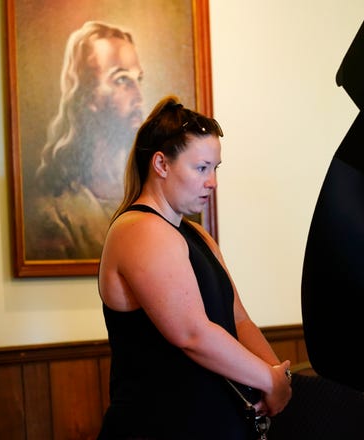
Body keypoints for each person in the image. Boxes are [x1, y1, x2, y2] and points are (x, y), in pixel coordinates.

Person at [97, 96, 292, 439]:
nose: (213, 182)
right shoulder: (137, 230)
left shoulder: (197, 234)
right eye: (202, 168)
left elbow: (239, 319)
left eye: (215, 169)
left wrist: (278, 374)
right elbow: (192, 334)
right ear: (161, 164)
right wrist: (267, 379)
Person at [26, 21, 144, 260]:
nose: (139, 97)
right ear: (87, 94)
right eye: (121, 79)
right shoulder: (56, 211)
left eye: (138, 79)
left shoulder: (149, 193)